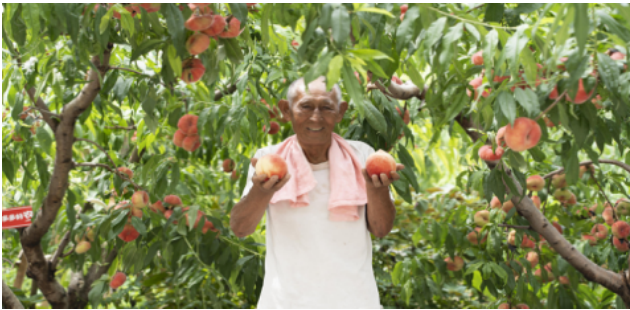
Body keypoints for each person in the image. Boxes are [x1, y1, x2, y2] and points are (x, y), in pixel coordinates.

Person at [230, 76, 404, 308]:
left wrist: (377, 190)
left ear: (340, 112)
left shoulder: (362, 156)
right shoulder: (268, 159)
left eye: (326, 107)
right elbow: (240, 228)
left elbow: (381, 229)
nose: (316, 117)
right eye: (305, 106)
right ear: (286, 110)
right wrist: (261, 193)